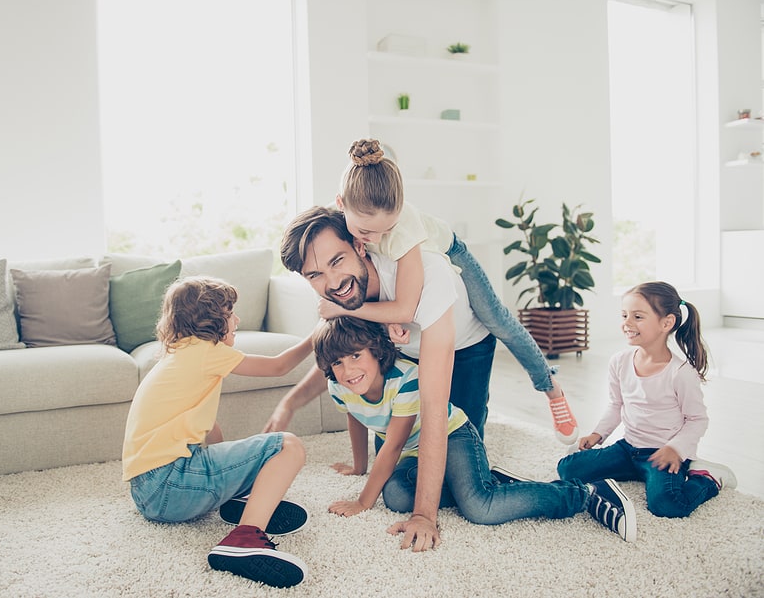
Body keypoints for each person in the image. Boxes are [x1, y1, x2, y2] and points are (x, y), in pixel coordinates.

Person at [266, 205, 497, 551]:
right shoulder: (343, 301)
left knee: (460, 448)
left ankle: (477, 477)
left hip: (464, 347)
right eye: (314, 275)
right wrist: (288, 406)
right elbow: (336, 365)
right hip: (407, 358)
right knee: (397, 481)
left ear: (360, 246)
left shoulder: (419, 272)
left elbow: (433, 409)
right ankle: (465, 478)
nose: (332, 283)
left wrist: (424, 515)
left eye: (336, 261)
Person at [321, 138, 578, 445]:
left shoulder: (404, 230)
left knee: (495, 318)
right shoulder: (338, 228)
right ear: (340, 204)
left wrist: (346, 308)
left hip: (449, 250)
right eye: (366, 232)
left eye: (385, 230)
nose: (376, 238)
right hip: (410, 286)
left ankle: (551, 388)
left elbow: (406, 305)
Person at [313, 315, 637, 541]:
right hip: (415, 451)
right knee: (396, 496)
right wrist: (359, 467)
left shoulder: (405, 380)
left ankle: (583, 493)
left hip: (452, 435)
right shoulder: (339, 387)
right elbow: (355, 416)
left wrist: (362, 502)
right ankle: (488, 480)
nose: (348, 369)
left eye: (356, 355)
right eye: (337, 363)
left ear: (376, 350)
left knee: (480, 507)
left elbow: (393, 446)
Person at [122, 276, 312, 588]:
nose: (237, 320)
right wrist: (316, 336)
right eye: (230, 312)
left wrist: (234, 476)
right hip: (170, 485)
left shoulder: (180, 352)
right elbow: (279, 366)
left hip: (149, 493)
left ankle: (236, 500)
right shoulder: (205, 351)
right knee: (287, 447)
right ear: (210, 320)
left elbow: (210, 431)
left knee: (239, 447)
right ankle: (244, 539)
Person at [556, 281, 737, 519]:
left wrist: (676, 449)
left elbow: (697, 420)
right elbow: (616, 405)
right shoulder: (619, 362)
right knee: (567, 469)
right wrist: (598, 435)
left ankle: (706, 478)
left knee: (667, 505)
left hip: (664, 453)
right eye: (624, 315)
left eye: (638, 317)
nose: (627, 324)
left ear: (667, 323)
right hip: (628, 448)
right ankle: (635, 472)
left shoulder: (680, 372)